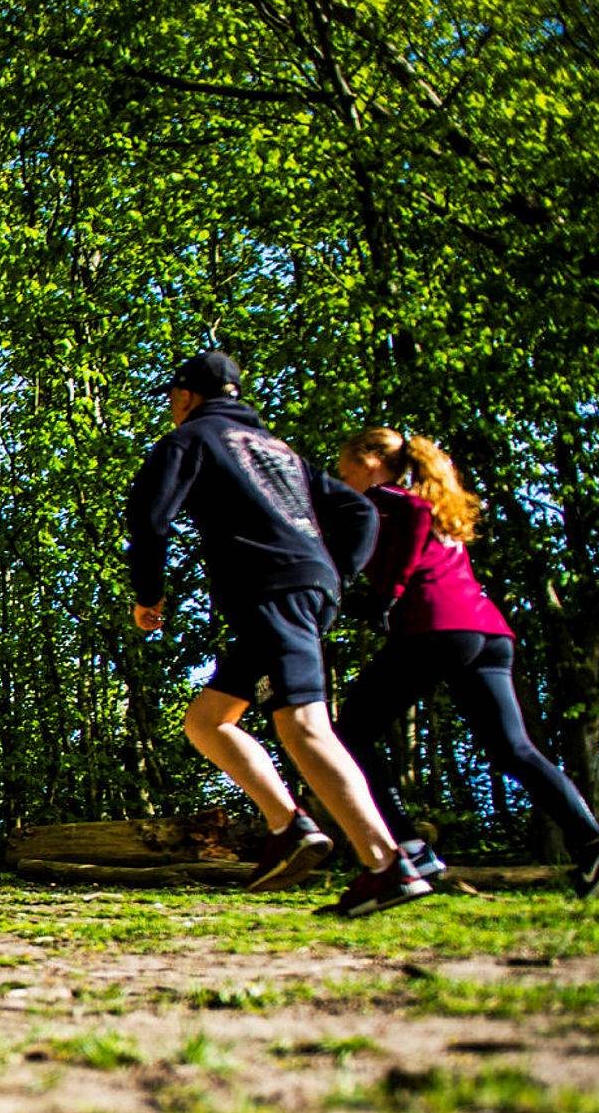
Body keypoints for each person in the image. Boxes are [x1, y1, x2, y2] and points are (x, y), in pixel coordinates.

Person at [125, 348, 428, 917]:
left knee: (304, 723)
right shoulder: (279, 451)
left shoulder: (192, 438)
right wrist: (332, 574)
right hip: (295, 593)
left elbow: (148, 515)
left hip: (271, 591)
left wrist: (149, 593)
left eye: (172, 397)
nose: (171, 407)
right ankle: (288, 826)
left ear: (187, 397)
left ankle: (387, 864)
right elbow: (360, 514)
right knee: (208, 722)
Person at [331, 428, 599, 898]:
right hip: (485, 632)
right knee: (513, 749)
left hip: (434, 629)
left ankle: (410, 847)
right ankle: (598, 849)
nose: (342, 476)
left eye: (345, 466)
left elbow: (412, 526)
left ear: (372, 461)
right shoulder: (416, 505)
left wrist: (388, 594)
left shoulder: (391, 499)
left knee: (349, 729)